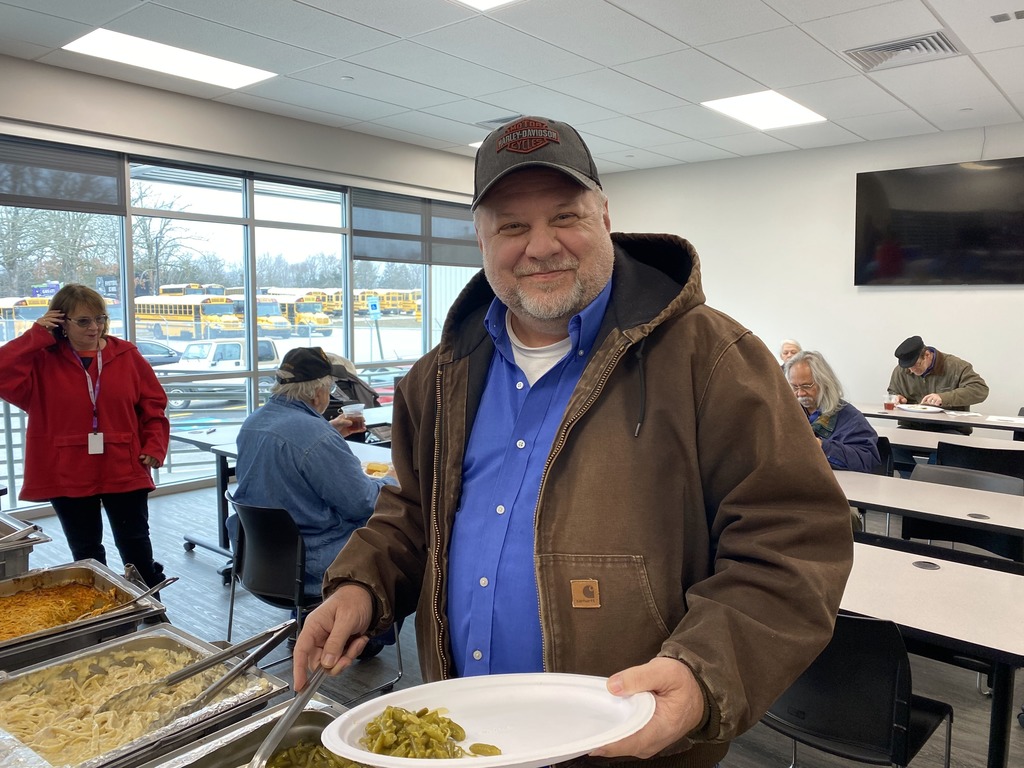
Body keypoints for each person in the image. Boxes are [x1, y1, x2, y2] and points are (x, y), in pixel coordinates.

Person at [293, 116, 853, 768]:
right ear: (479, 238)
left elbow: (791, 545)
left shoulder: (715, 359)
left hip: (631, 747)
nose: (541, 246)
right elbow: (412, 513)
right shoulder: (439, 376)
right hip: (460, 736)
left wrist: (703, 673)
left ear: (604, 216)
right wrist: (361, 585)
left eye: (566, 216)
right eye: (511, 226)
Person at [0, 284, 169, 588]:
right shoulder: (41, 360)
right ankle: (103, 621)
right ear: (60, 322)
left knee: (137, 549)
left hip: (123, 464)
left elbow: (153, 406)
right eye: (84, 321)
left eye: (100, 319)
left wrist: (155, 445)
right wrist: (35, 335)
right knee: (87, 555)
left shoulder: (127, 355)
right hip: (67, 470)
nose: (95, 328)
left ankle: (154, 612)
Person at [228, 347, 398, 601]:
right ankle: (367, 633)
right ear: (319, 392)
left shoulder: (254, 422)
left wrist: (329, 432)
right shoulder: (315, 436)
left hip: (258, 561)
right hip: (310, 564)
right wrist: (392, 479)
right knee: (393, 533)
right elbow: (361, 503)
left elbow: (288, 457)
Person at [785, 350, 880, 473]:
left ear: (824, 383)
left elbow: (867, 460)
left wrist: (822, 446)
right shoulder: (788, 413)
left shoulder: (849, 417)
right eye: (794, 387)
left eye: (807, 386)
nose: (800, 393)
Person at [888, 335, 989, 436]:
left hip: (949, 428)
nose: (912, 370)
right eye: (908, 367)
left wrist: (944, 398)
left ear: (927, 355)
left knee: (942, 449)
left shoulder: (956, 366)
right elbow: (892, 392)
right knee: (889, 446)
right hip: (912, 427)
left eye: (916, 365)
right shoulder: (901, 370)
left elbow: (980, 389)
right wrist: (897, 398)